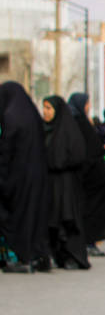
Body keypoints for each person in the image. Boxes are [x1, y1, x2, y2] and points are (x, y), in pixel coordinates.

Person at [1, 82, 51, 273]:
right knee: (36, 216)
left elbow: (6, 152)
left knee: (19, 217)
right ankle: (39, 255)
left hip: (19, 176)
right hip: (37, 174)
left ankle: (24, 257)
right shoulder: (31, 114)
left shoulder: (11, 117)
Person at [41, 95, 89, 269]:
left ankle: (71, 256)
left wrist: (58, 161)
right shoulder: (43, 129)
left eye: (49, 108)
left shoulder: (69, 130)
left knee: (66, 219)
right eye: (44, 108)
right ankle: (53, 254)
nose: (45, 112)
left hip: (66, 183)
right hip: (49, 182)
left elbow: (78, 155)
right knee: (50, 220)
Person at [67, 93, 105, 254]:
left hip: (88, 175)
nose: (88, 107)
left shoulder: (75, 122)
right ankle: (88, 241)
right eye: (87, 104)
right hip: (90, 176)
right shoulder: (80, 123)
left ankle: (88, 241)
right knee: (89, 210)